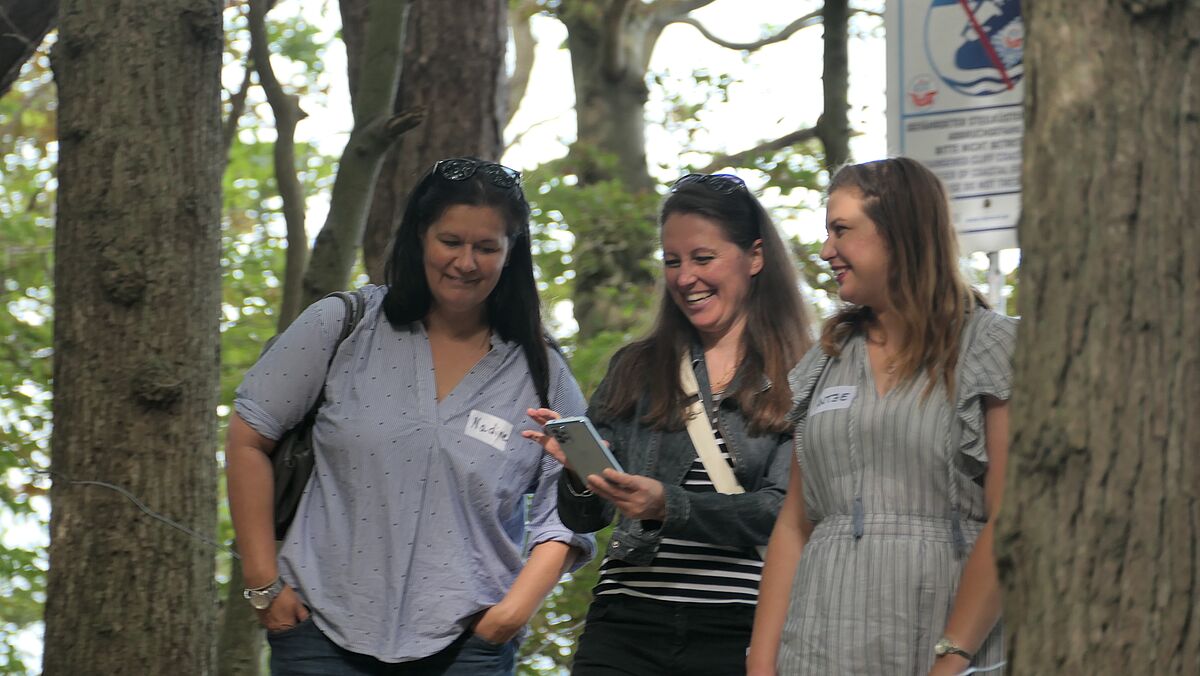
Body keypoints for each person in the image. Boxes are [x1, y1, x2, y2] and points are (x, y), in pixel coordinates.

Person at [226, 157, 595, 675]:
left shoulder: (543, 371)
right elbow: (247, 438)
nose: (465, 262)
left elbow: (573, 505)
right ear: (421, 236)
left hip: (469, 648)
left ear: (510, 254)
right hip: (321, 637)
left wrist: (512, 614)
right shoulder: (344, 327)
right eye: (451, 241)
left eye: (486, 247)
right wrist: (265, 585)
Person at [524, 173, 813, 675]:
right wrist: (578, 473)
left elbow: (781, 512)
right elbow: (587, 520)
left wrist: (668, 505)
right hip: (625, 624)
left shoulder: (802, 376)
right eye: (672, 261)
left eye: (703, 258)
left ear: (755, 256)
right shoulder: (636, 367)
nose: (684, 278)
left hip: (738, 628)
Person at [747, 157, 1017, 676]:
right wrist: (761, 664)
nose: (827, 251)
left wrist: (951, 659)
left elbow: (1010, 519)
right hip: (819, 645)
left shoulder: (991, 345)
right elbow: (796, 524)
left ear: (900, 233)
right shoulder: (826, 359)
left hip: (940, 643)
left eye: (842, 230)